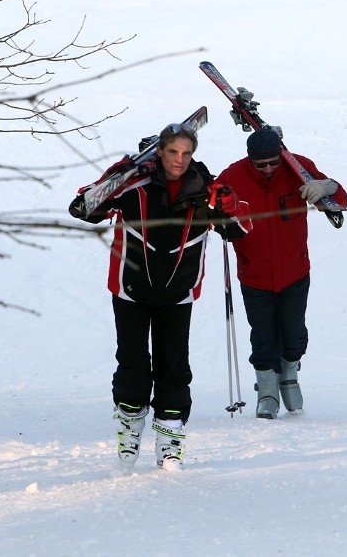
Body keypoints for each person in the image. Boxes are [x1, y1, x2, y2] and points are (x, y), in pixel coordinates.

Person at [68, 122, 251, 471]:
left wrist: (230, 206)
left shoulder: (204, 189)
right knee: (133, 365)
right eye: (172, 152)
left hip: (178, 292)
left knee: (174, 367)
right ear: (160, 152)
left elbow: (239, 229)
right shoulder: (132, 184)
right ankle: (129, 428)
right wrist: (118, 173)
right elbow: (85, 208)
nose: (180, 159)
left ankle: (169, 440)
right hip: (131, 289)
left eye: (186, 153)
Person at [215, 128, 347, 419]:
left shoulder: (297, 167)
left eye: (273, 162)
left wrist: (328, 186)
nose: (268, 169)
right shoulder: (233, 175)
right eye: (260, 164)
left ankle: (289, 376)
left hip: (294, 270)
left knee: (294, 333)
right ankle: (266, 391)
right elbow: (210, 205)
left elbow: (340, 200)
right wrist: (219, 218)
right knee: (263, 336)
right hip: (254, 273)